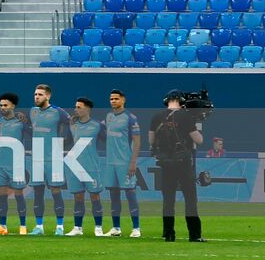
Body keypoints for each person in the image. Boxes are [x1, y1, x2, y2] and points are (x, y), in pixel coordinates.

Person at [149, 90, 205, 242]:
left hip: (166, 163)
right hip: (183, 162)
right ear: (181, 101)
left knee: (168, 201)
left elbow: (151, 141)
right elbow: (198, 140)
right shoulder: (186, 117)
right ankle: (194, 234)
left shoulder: (156, 117)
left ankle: (168, 234)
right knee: (190, 199)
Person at [27, 84, 69, 236]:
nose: (36, 97)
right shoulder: (32, 112)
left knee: (56, 191)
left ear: (48, 96)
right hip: (37, 158)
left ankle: (60, 227)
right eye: (35, 94)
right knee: (38, 192)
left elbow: (71, 125)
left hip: (53, 159)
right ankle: (39, 227)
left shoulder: (58, 112)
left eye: (40, 94)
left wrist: (64, 143)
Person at [102, 89, 142, 238]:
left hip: (125, 162)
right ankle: (116, 228)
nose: (113, 101)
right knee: (113, 195)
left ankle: (136, 228)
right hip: (110, 163)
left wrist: (133, 162)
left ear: (123, 100)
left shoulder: (130, 118)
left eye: (116, 99)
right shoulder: (108, 117)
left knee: (130, 194)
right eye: (111, 99)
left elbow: (137, 141)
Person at [0, 92, 30, 235]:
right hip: (0, 164)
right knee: (1, 196)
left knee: (19, 195)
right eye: (1, 105)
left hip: (16, 165)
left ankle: (23, 227)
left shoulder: (21, 122)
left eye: (5, 105)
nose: (2, 108)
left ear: (13, 105)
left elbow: (34, 133)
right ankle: (2, 226)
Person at [65, 97, 106, 237]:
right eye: (75, 107)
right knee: (78, 197)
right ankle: (77, 228)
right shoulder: (72, 125)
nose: (76, 110)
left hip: (91, 166)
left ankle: (98, 228)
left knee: (95, 197)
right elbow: (66, 141)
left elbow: (109, 140)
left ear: (87, 109)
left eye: (79, 107)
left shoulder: (97, 125)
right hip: (75, 166)